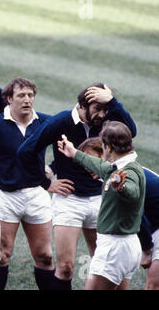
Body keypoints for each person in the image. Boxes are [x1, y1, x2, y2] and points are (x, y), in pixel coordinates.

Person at [17, 83, 137, 289]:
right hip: (69, 201)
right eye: (97, 109)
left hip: (101, 200)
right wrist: (46, 182)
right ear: (82, 105)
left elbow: (131, 132)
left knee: (105, 266)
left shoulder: (106, 122)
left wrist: (112, 102)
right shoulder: (62, 121)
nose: (102, 114)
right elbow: (26, 151)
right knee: (66, 267)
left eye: (105, 109)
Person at [0, 78, 57, 290]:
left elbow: (68, 147)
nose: (27, 100)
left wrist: (52, 168)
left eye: (30, 95)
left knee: (45, 256)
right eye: (21, 95)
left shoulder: (45, 122)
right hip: (6, 198)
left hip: (37, 195)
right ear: (9, 99)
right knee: (1, 255)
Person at [57, 121, 145, 290]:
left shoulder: (127, 172)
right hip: (127, 246)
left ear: (109, 147)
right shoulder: (119, 167)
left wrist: (122, 189)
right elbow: (100, 166)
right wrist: (74, 152)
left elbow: (133, 193)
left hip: (114, 248)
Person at [77, 137, 159, 290]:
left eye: (91, 158)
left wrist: (147, 249)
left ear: (106, 153)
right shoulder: (118, 173)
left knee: (153, 284)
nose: (88, 166)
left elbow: (138, 216)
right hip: (152, 228)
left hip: (154, 229)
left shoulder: (122, 177)